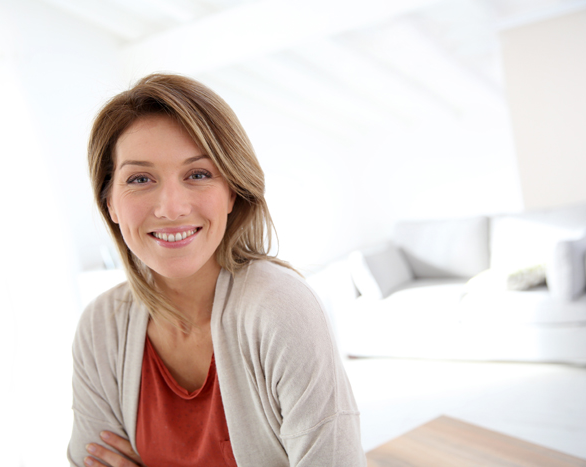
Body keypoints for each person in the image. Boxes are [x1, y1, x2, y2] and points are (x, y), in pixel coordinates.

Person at [68, 73, 366, 467]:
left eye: (198, 174)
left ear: (232, 192)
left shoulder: (280, 309)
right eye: (140, 179)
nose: (171, 208)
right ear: (110, 203)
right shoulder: (101, 325)